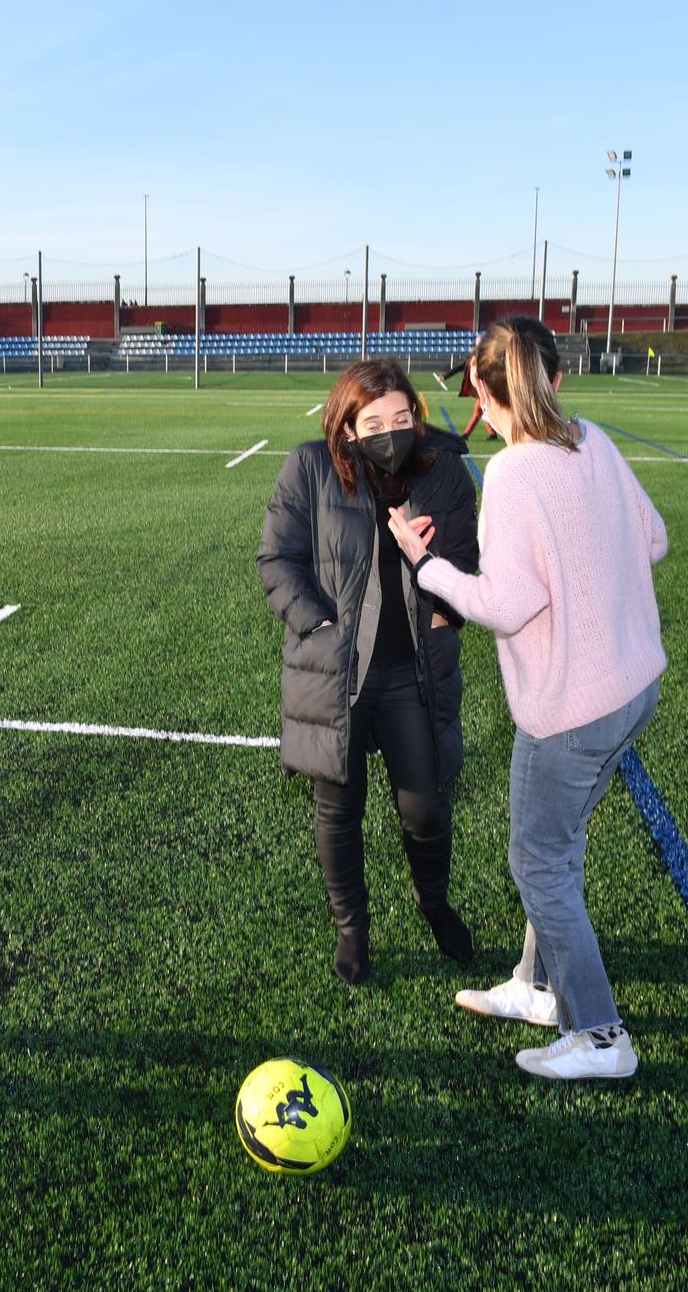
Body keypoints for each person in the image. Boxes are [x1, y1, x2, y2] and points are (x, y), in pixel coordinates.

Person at [390, 316, 666, 1081]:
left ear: (479, 390)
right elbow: (655, 539)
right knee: (558, 846)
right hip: (633, 688)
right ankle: (538, 987)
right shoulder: (596, 440)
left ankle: (602, 1037)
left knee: (539, 861)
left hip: (571, 711)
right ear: (554, 378)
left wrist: (425, 563)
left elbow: (507, 605)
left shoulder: (512, 472)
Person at [259, 359, 481, 985]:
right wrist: (318, 625)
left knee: (426, 809)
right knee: (338, 809)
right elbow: (278, 558)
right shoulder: (311, 466)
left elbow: (467, 560)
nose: (391, 430)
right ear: (348, 424)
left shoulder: (443, 470)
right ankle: (352, 929)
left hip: (412, 673)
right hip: (336, 674)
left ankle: (434, 905)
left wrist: (434, 580)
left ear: (417, 415)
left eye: (403, 417)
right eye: (374, 420)